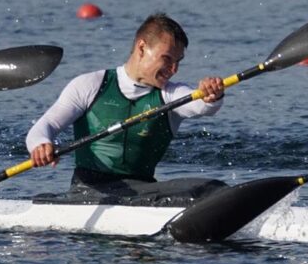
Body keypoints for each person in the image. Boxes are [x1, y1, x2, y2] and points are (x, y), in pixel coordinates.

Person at [26, 13, 226, 206]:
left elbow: (201, 105)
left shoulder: (170, 95)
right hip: (88, 192)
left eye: (178, 62)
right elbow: (45, 126)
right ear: (141, 48)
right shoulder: (90, 85)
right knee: (205, 191)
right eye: (167, 59)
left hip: (142, 191)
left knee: (211, 189)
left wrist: (211, 95)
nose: (174, 69)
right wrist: (41, 145)